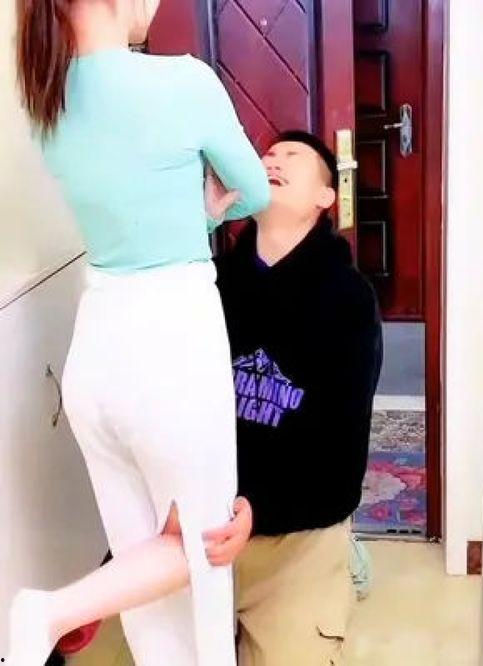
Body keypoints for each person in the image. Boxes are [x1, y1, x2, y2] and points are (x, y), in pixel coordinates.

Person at [8, 0, 270, 664]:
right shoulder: (182, 80)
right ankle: (51, 611)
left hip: (97, 346)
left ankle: (52, 614)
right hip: (172, 338)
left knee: (142, 568)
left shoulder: (45, 96)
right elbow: (255, 191)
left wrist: (187, 213)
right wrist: (205, 214)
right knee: (206, 557)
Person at [215, 130, 383, 665]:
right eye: (266, 155)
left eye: (292, 156)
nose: (273, 159)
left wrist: (261, 508)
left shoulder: (348, 301)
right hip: (206, 525)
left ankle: (343, 561)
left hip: (297, 535)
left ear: (326, 197)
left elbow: (341, 453)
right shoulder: (210, 284)